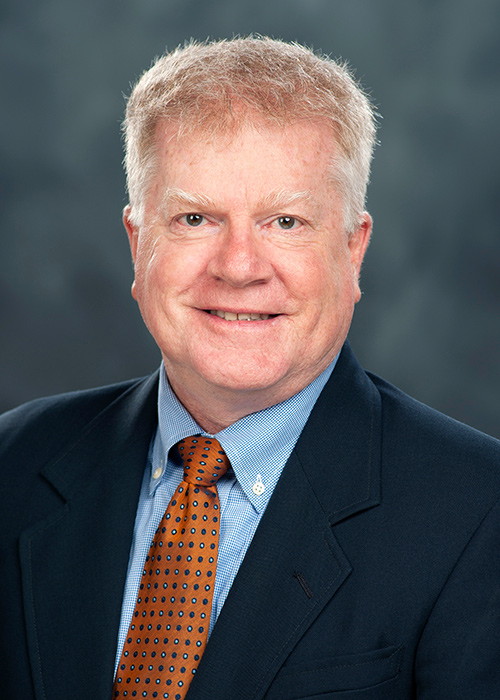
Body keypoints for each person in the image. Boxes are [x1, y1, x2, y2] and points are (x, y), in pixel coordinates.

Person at [1, 36, 499, 700]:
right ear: (136, 242)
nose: (238, 266)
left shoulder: (477, 510)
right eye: (195, 218)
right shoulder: (14, 462)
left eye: (286, 222)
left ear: (353, 252)